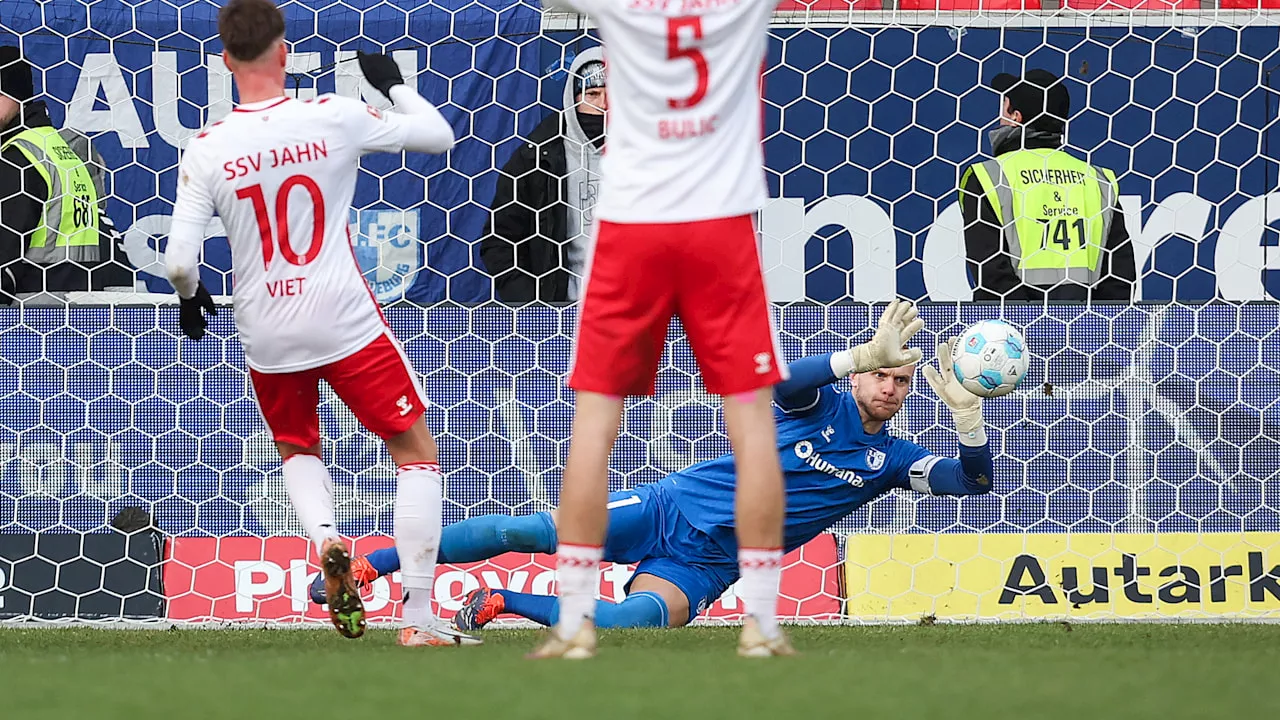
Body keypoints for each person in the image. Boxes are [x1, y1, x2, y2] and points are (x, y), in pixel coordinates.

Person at [529, 0, 925, 660]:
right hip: (719, 224)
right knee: (751, 425)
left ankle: (573, 624)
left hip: (632, 226)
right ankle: (762, 625)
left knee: (595, 426)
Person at [309, 327, 995, 632]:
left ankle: (502, 604)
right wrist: (854, 358)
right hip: (671, 507)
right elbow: (778, 381)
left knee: (635, 622)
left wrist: (968, 424)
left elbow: (971, 484)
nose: (892, 387)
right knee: (531, 530)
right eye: (885, 373)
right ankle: (370, 568)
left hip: (710, 562)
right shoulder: (825, 402)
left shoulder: (896, 462)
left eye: (903, 381)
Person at [165, 0, 472, 648]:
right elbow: (440, 136)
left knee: (297, 446)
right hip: (343, 317)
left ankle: (329, 540)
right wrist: (393, 86)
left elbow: (176, 261)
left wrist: (191, 297)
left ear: (224, 61)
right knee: (415, 456)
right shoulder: (330, 116)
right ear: (285, 54)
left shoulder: (209, 147)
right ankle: (417, 620)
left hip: (267, 327)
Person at [961, 69, 1136, 302]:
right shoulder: (1097, 180)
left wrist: (1027, 327)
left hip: (1011, 331)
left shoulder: (988, 176)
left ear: (1016, 116)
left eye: (1004, 108)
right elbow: (1120, 276)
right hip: (1083, 328)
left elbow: (990, 272)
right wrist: (1095, 330)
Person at [0, 46, 132, 304]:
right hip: (79, 313)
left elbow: (4, 257)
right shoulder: (57, 148)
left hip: (30, 319)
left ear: (14, 95)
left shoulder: (17, 158)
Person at [480, 49, 607, 303]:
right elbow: (499, 241)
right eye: (592, 94)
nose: (604, 105)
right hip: (560, 313)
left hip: (632, 311)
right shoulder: (537, 157)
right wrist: (534, 306)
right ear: (573, 98)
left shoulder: (645, 156)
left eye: (612, 95)